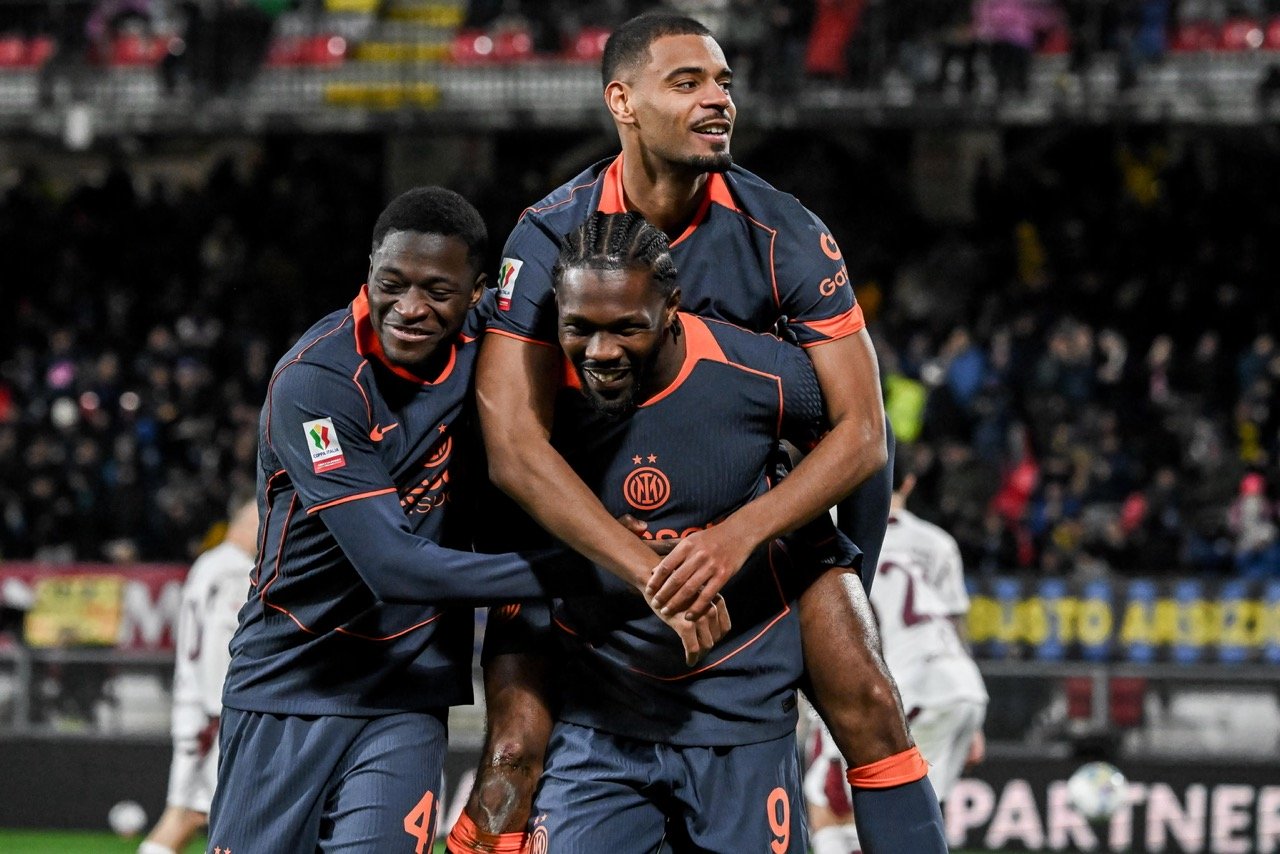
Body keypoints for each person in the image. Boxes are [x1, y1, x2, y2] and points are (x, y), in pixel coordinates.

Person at [450, 11, 942, 854]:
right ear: (623, 102)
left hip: (753, 524)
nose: (719, 100)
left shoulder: (785, 234)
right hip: (599, 527)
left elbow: (864, 433)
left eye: (723, 83)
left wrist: (763, 546)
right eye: (688, 83)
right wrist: (647, 568)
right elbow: (515, 446)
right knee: (511, 756)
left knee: (869, 698)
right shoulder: (549, 234)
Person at [207, 187, 726, 854]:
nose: (410, 308)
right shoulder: (318, 384)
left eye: (437, 291)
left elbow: (607, 329)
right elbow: (394, 568)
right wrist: (601, 568)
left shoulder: (490, 354)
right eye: (392, 284)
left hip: (409, 690)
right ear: (369, 271)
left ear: (478, 293)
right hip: (293, 686)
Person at [521, 211, 891, 851]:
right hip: (600, 716)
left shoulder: (763, 374)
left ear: (671, 309)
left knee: (877, 706)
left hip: (741, 716)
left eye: (626, 327)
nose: (601, 351)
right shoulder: (533, 395)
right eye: (579, 327)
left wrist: (847, 571)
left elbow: (863, 439)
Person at [805, 465, 989, 854]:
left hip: (905, 686)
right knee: (915, 818)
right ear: (907, 482)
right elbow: (951, 626)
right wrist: (972, 719)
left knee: (835, 807)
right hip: (963, 685)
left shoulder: (835, 527)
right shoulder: (937, 543)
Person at [138, 494, 257, 854]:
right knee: (190, 814)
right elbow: (221, 643)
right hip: (211, 710)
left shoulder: (208, 563)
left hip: (196, 703)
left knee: (195, 812)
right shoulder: (236, 570)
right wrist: (219, 709)